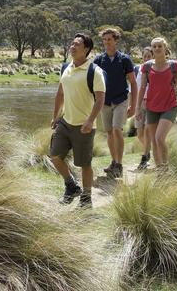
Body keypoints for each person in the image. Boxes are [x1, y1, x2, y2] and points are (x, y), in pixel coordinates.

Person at [50, 33, 106, 207]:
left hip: (84, 126)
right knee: (54, 156)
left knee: (85, 164)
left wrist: (90, 121)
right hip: (65, 122)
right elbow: (60, 94)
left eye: (77, 45)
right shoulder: (66, 67)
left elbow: (100, 99)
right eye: (72, 44)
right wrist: (55, 116)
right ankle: (71, 185)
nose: (72, 47)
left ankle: (86, 197)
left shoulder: (94, 72)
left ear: (86, 49)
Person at [136, 37, 177, 169]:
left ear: (165, 48)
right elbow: (142, 88)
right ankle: (160, 170)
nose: (157, 48)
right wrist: (137, 108)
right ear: (152, 49)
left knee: (159, 138)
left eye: (160, 46)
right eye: (155, 46)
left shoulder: (174, 66)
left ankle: (165, 167)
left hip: (169, 106)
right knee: (153, 140)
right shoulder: (146, 67)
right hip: (151, 108)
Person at [93, 28, 137, 178]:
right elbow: (92, 81)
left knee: (117, 129)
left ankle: (119, 163)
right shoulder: (99, 60)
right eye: (104, 40)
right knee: (110, 132)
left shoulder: (125, 59)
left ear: (116, 40)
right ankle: (114, 162)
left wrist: (134, 105)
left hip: (121, 100)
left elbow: (133, 82)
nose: (106, 42)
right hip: (105, 102)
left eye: (109, 39)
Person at [134, 46, 153, 170]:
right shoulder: (138, 69)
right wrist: (134, 105)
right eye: (144, 56)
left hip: (151, 103)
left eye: (149, 56)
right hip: (139, 103)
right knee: (140, 133)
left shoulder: (155, 69)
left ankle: (144, 158)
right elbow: (135, 87)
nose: (146, 58)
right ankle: (148, 149)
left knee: (147, 131)